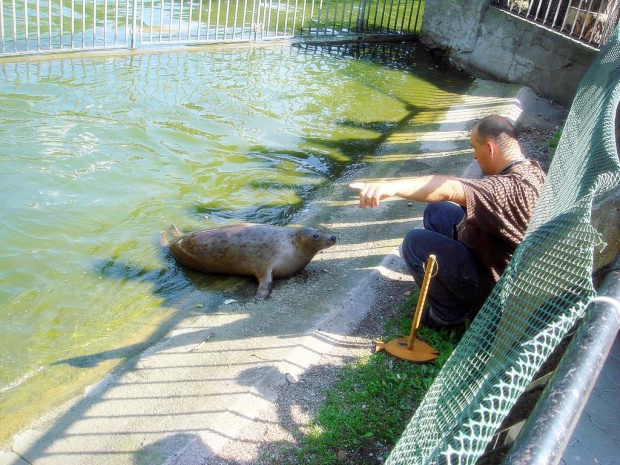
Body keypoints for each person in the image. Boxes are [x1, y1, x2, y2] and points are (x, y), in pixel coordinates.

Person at [349, 115, 546, 327]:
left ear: (489, 148)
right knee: (437, 211)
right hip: (495, 252)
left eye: (474, 148)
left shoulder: (504, 190)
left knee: (415, 242)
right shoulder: (531, 169)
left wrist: (391, 188)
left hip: (495, 285)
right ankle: (448, 283)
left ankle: (449, 316)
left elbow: (449, 187)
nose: (473, 156)